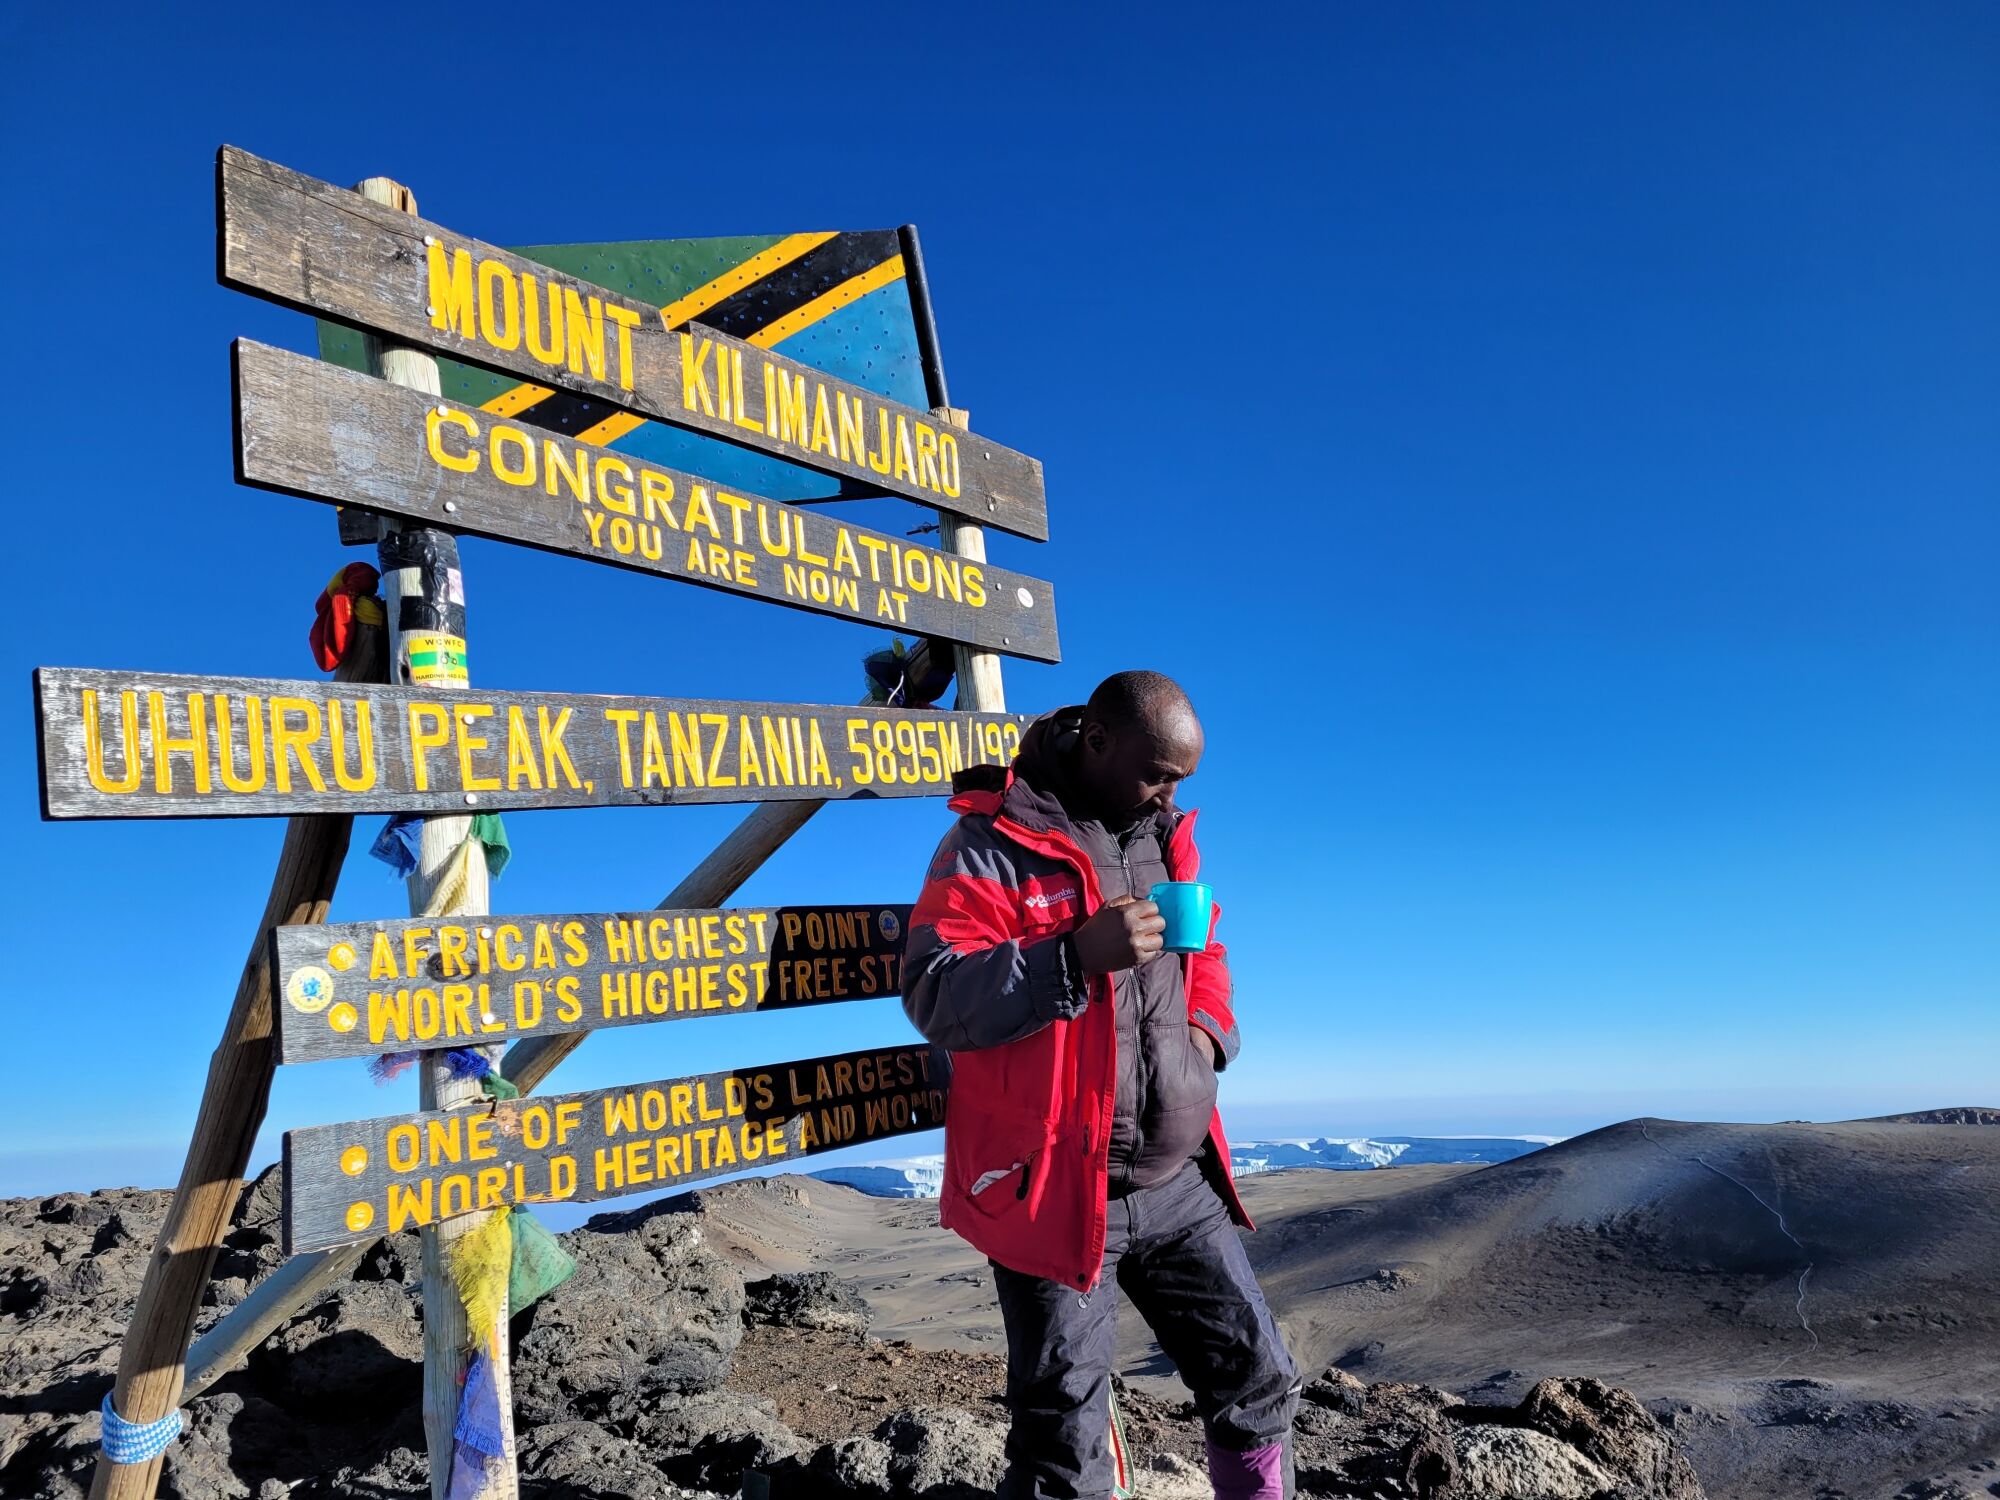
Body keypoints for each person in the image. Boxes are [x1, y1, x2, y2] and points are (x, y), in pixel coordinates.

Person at [902, 671, 1299, 1500]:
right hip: (1052, 1184)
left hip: (1176, 1177)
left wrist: (1207, 1041)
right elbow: (934, 990)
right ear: (1098, 742)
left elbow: (1208, 955)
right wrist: (1071, 958)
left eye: (1181, 778)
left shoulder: (1162, 835)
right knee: (1063, 1448)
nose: (1170, 793)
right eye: (1159, 772)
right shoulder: (991, 842)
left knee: (1257, 1383)